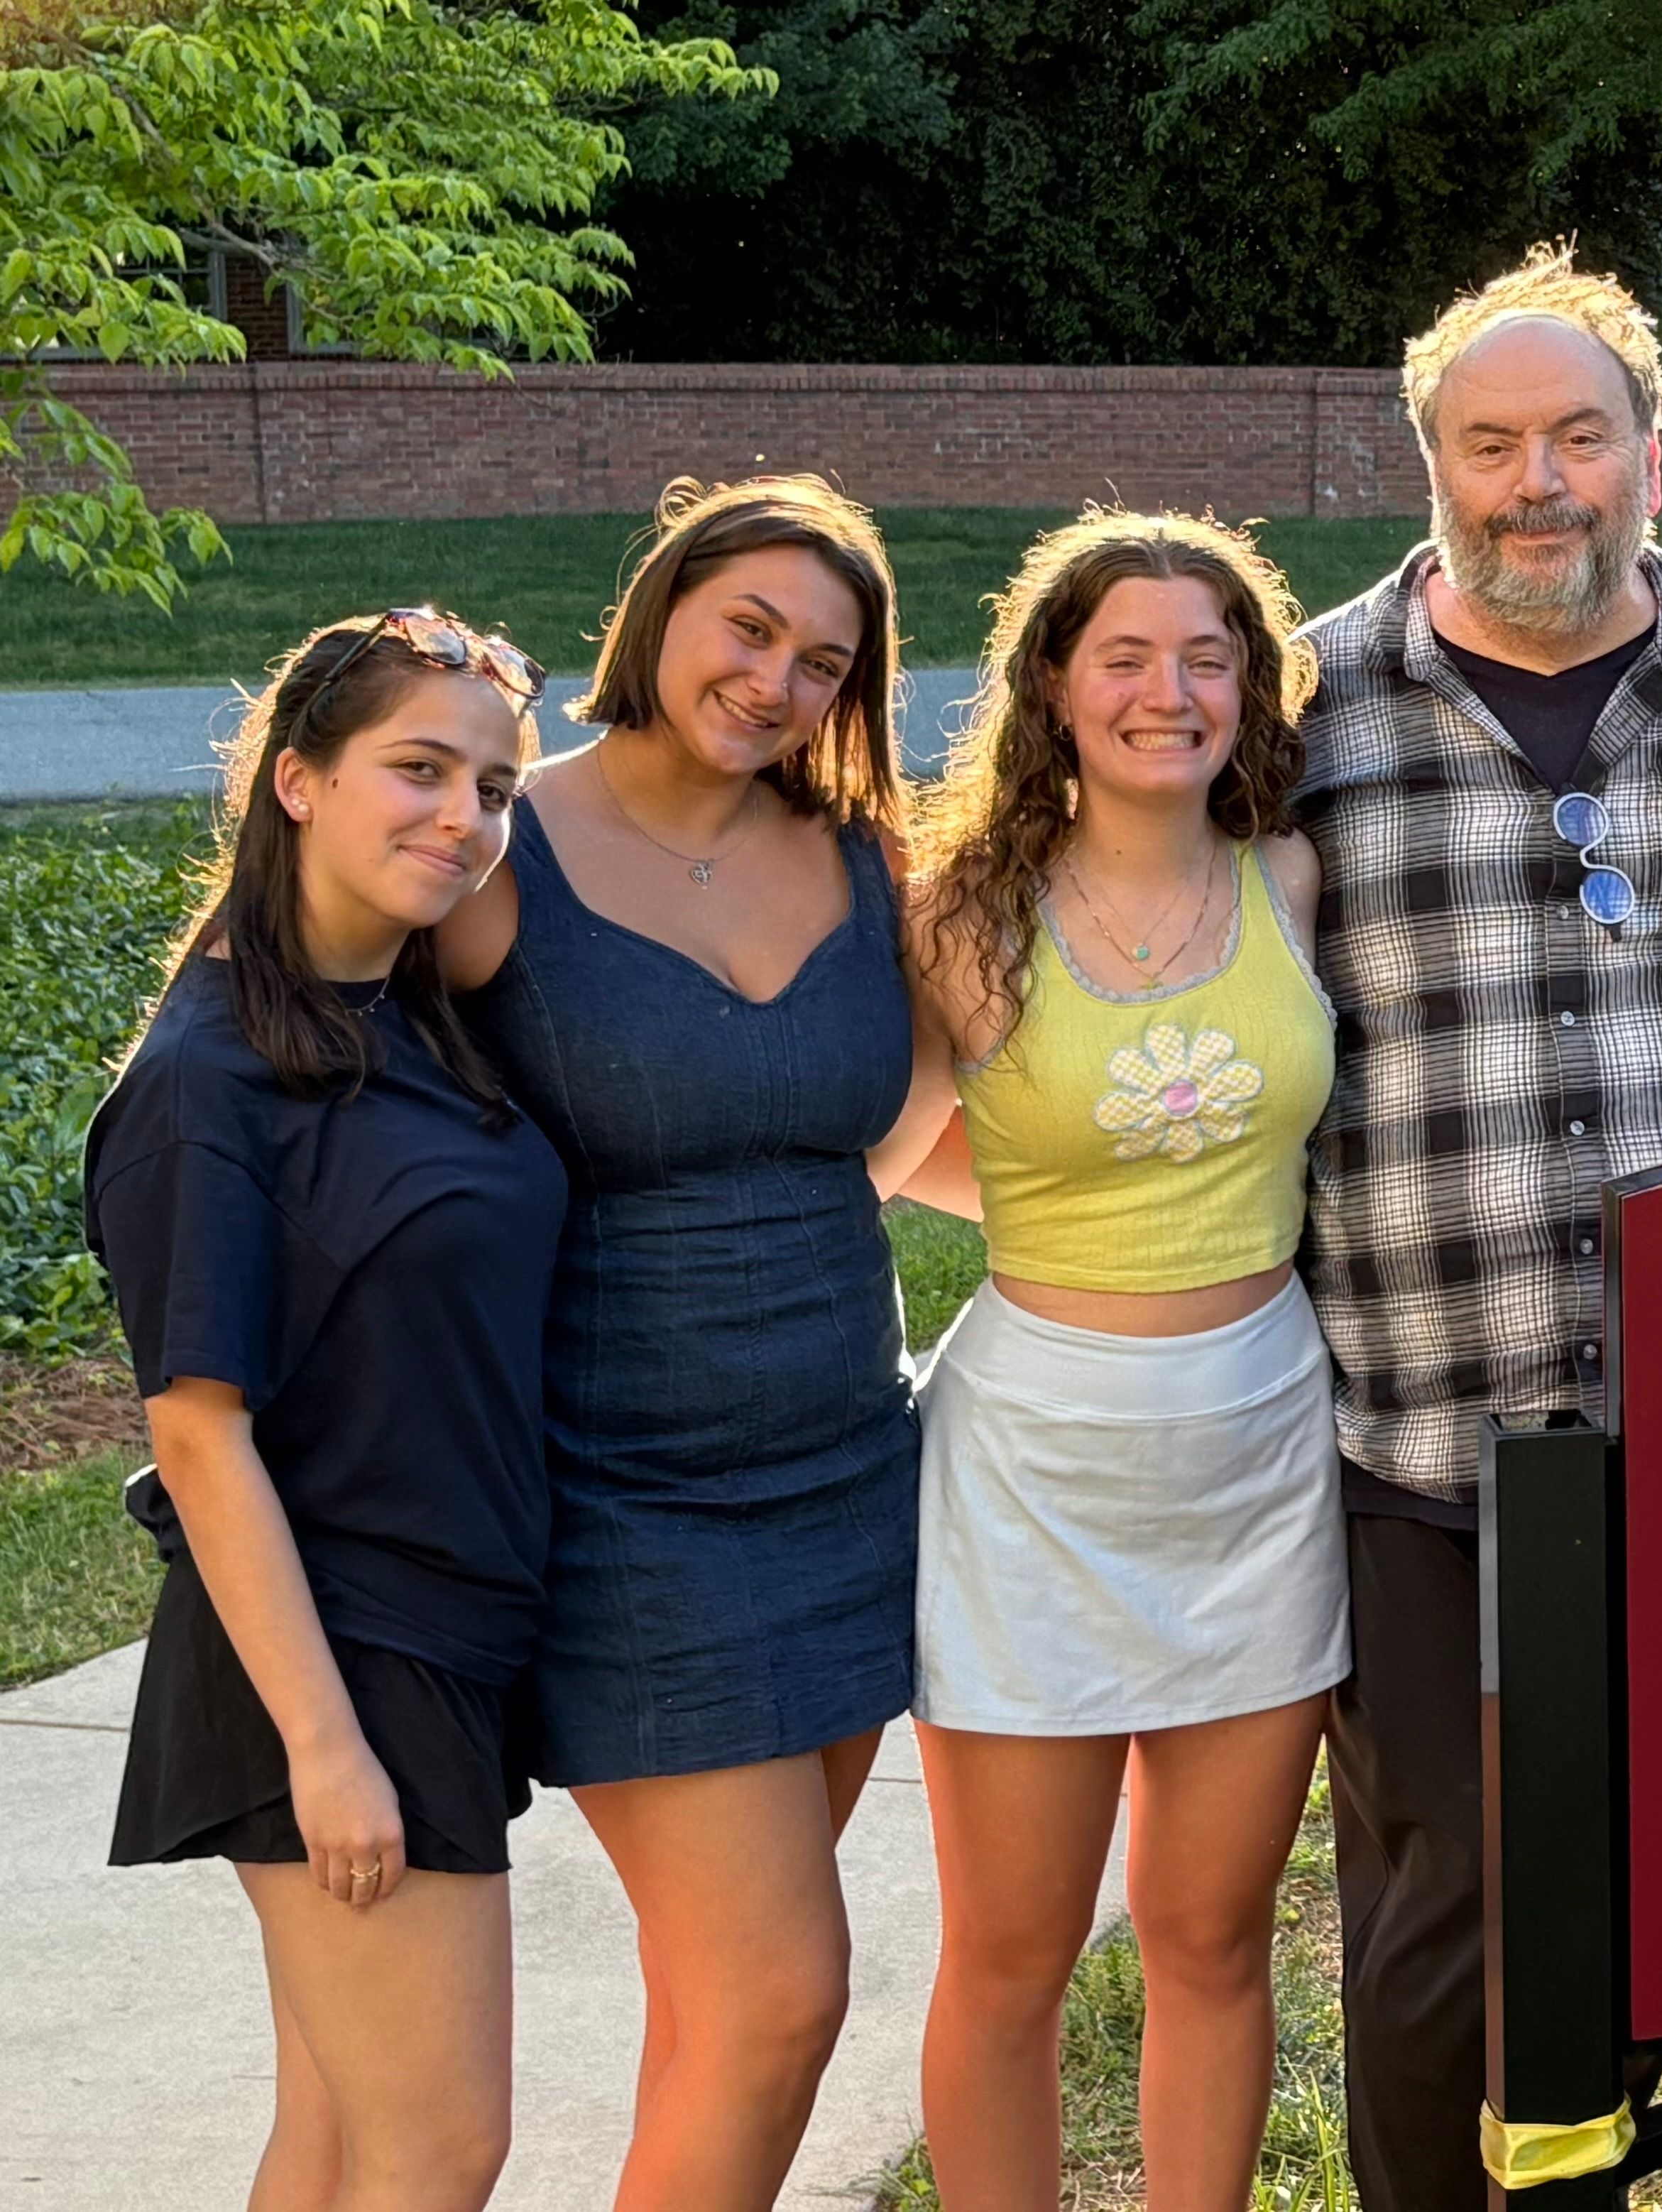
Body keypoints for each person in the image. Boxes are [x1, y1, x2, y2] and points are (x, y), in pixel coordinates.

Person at [1293, 244, 1662, 2212]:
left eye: (1578, 437)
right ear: (1428, 461)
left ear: (1650, 454)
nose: (1538, 482)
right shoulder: (1307, 707)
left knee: (1645, 1871)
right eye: (1490, 442)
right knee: (1442, 1881)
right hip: (1424, 1423)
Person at [439, 477, 953, 2209]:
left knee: (713, 2007)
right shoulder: (506, 848)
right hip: (628, 1507)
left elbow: (896, 1137)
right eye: (748, 628)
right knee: (781, 1995)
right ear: (659, 611)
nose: (776, 680)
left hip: (846, 1480)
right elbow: (285, 1034)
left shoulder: (860, 858)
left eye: (824, 661)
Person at [898, 509, 1343, 2209]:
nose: (1170, 691)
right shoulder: (963, 912)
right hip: (1036, 1469)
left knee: (1212, 1934)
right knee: (1011, 1954)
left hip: (1258, 1450)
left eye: (1208, 655)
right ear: (1055, 688)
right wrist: (1033, 1207)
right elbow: (875, 1151)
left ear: (1249, 687)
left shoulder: (1286, 876)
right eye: (1127, 657)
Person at [92, 609, 561, 2212]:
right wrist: (327, 1746)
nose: (463, 816)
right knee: (439, 2147)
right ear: (297, 781)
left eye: (495, 787)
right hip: (338, 1659)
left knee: (344, 2138)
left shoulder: (402, 1015)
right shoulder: (207, 1084)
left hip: (434, 1632)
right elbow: (197, 1431)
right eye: (417, 771)